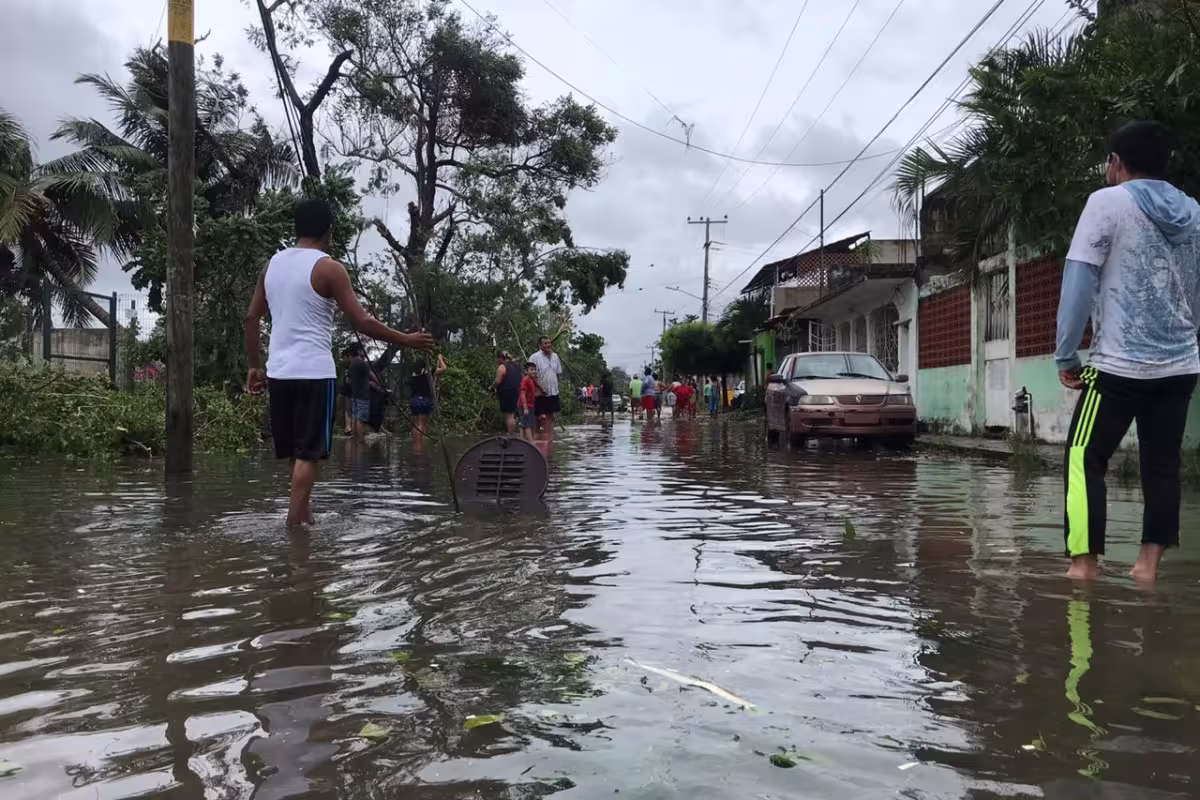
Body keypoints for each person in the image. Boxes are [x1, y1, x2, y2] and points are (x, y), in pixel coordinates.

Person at [1055, 120, 1200, 583]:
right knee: (1162, 466)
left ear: (1116, 162)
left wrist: (1065, 355)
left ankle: (1082, 568)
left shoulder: (1107, 202)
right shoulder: (1194, 211)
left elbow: (1079, 280)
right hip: (1180, 364)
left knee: (1084, 459)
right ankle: (1147, 570)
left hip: (1118, 366)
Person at [244, 198, 434, 527]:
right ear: (328, 230)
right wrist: (407, 339)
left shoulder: (272, 265)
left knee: (295, 453)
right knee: (309, 454)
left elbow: (251, 317)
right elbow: (363, 323)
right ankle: (294, 526)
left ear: (296, 228)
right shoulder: (330, 268)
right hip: (314, 373)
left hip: (278, 373)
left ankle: (306, 518)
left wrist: (254, 366)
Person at [528, 336, 563, 438]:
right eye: (545, 343)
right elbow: (529, 376)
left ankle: (549, 440)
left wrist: (557, 387)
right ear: (540, 345)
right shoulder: (534, 357)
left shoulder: (555, 356)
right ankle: (535, 440)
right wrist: (535, 390)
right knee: (538, 417)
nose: (548, 345)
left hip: (553, 392)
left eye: (549, 343)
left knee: (550, 417)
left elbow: (558, 373)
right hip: (539, 393)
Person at [409, 353, 447, 443]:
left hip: (414, 401)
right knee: (421, 425)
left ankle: (417, 445)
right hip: (424, 400)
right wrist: (440, 359)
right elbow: (444, 368)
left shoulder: (414, 373)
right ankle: (418, 448)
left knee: (417, 425)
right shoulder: (428, 371)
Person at [345, 341, 377, 440]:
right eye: (362, 349)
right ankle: (360, 440)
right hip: (363, 395)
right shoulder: (362, 363)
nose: (364, 351)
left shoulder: (351, 364)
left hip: (354, 394)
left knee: (355, 417)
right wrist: (380, 385)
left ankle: (355, 439)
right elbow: (372, 376)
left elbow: (348, 380)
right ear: (359, 351)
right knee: (361, 419)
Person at [493, 351, 522, 433]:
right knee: (512, 415)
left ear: (500, 358)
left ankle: (510, 435)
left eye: (498, 359)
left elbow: (498, 381)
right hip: (516, 392)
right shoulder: (516, 366)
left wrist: (491, 387)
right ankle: (512, 434)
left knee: (509, 416)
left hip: (507, 393)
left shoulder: (502, 367)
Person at [518, 361, 538, 442]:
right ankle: (531, 443)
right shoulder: (525, 380)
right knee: (527, 425)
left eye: (535, 369)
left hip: (530, 405)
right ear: (526, 371)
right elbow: (522, 394)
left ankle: (522, 441)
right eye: (531, 369)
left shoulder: (532, 380)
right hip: (524, 406)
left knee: (528, 424)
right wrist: (525, 407)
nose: (534, 371)